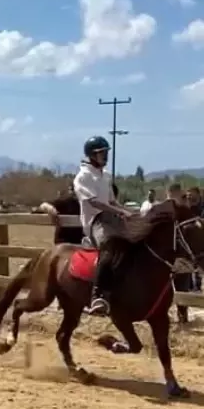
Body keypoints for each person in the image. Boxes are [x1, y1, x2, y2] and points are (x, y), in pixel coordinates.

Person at [75, 135, 135, 316]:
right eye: (101, 153)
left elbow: (111, 201)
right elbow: (94, 202)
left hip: (112, 218)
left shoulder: (106, 176)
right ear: (92, 155)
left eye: (106, 152)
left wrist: (130, 212)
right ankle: (97, 296)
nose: (105, 156)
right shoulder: (83, 176)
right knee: (110, 248)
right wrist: (119, 212)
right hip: (95, 221)